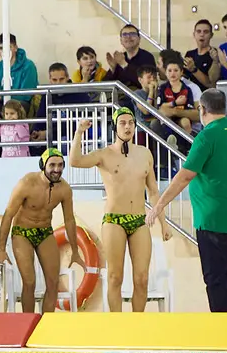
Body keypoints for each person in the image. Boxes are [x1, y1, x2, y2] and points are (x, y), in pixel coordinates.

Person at [147, 89, 227, 313]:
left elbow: (185, 176)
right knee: (224, 269)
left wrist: (159, 205)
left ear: (202, 109)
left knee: (214, 277)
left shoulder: (207, 137)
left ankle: (223, 329)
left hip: (214, 217)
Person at [69, 108, 173, 312]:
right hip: (114, 220)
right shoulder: (104, 154)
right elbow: (75, 161)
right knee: (115, 277)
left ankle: (136, 324)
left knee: (142, 278)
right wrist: (79, 132)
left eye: (131, 123)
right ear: (114, 127)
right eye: (122, 123)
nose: (127, 127)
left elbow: (153, 191)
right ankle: (118, 324)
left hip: (139, 220)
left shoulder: (144, 153)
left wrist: (164, 223)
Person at [0, 149, 85, 313]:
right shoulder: (27, 183)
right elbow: (8, 214)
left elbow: (69, 220)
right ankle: (28, 322)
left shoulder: (64, 189)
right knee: (29, 282)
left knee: (53, 283)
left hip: (45, 232)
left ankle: (45, 324)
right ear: (43, 165)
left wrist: (75, 250)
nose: (57, 169)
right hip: (22, 232)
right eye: (52, 165)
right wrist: (1, 249)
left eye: (60, 165)